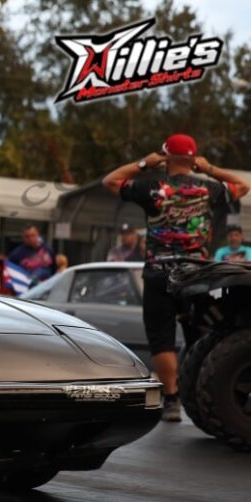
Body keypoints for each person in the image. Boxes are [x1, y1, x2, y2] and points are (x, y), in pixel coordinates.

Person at [104, 132, 250, 421]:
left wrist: (144, 163)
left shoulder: (153, 188)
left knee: (162, 338)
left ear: (166, 157)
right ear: (193, 159)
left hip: (159, 273)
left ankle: (171, 401)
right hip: (196, 275)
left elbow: (110, 181)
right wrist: (208, 168)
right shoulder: (209, 189)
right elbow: (243, 186)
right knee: (201, 333)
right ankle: (202, 391)